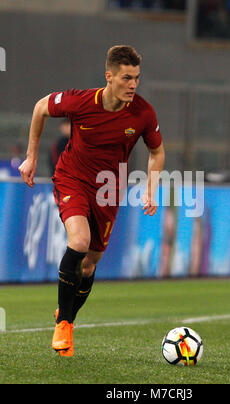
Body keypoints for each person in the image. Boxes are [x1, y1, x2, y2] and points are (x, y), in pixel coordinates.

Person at [19, 45, 165, 357]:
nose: (133, 84)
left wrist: (152, 188)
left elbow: (157, 151)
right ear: (109, 76)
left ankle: (67, 318)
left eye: (137, 78)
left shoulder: (142, 113)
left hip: (108, 191)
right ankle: (64, 323)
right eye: (127, 78)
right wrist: (31, 157)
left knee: (89, 265)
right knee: (80, 241)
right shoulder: (81, 101)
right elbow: (40, 108)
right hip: (72, 178)